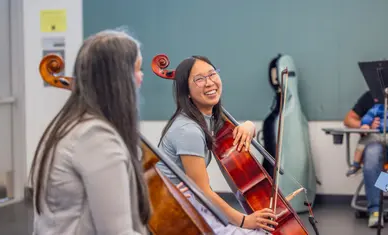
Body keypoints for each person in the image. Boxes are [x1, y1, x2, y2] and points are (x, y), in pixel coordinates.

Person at [28, 29, 190, 235]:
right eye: (137, 69)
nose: (141, 78)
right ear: (118, 79)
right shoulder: (95, 138)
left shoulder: (70, 124)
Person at [156, 55, 278, 234]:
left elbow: (238, 129)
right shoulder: (188, 130)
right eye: (199, 79)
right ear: (187, 92)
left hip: (193, 207)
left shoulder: (207, 118)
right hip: (180, 214)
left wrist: (248, 126)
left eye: (212, 74)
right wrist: (245, 220)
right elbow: (202, 191)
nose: (209, 83)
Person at [343, 90, 385, 228]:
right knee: (372, 157)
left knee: (382, 173)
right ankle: (375, 211)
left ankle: (381, 191)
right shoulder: (372, 96)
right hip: (376, 144)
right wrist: (366, 124)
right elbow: (348, 119)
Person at [346, 102, 388, 177]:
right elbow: (367, 116)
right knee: (371, 151)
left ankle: (383, 186)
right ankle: (356, 165)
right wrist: (366, 124)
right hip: (378, 137)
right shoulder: (379, 108)